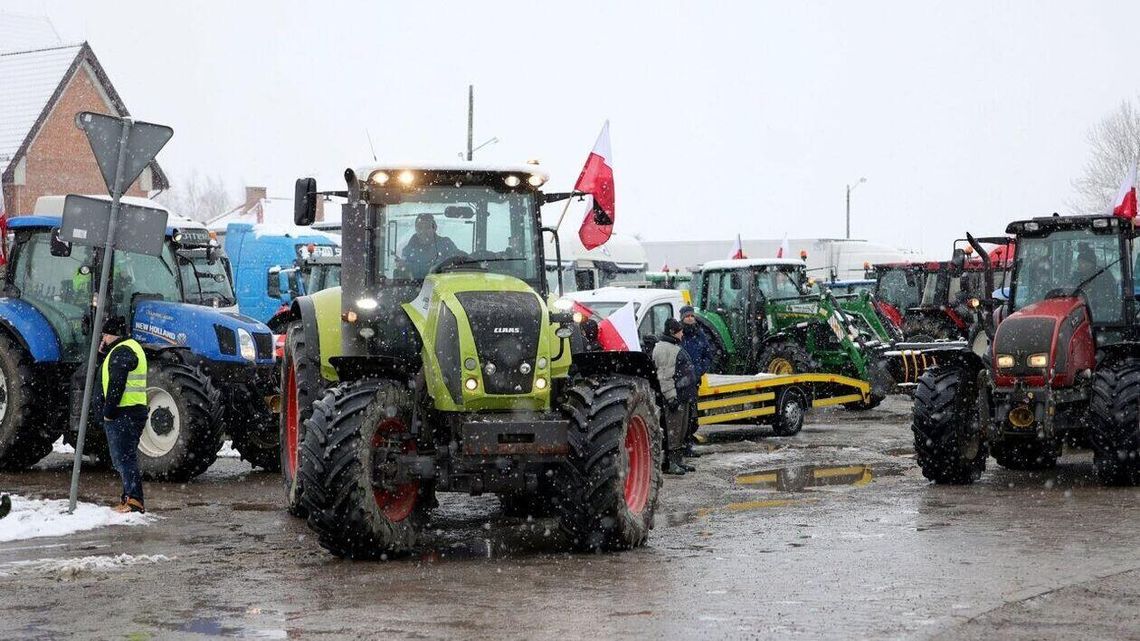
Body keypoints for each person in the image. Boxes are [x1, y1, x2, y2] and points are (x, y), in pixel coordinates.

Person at [98, 316, 148, 513]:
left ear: (112, 335)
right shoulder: (130, 347)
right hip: (132, 411)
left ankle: (134, 500)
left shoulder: (122, 352)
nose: (103, 338)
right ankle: (129, 497)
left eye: (105, 335)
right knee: (126, 457)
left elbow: (116, 384)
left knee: (124, 459)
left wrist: (109, 412)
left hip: (124, 413)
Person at [652, 318, 697, 475]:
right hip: (675, 397)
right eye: (679, 331)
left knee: (681, 431)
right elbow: (665, 376)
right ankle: (671, 463)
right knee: (674, 431)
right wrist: (671, 397)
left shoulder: (673, 346)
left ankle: (678, 461)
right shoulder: (665, 349)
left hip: (683, 396)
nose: (682, 333)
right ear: (672, 332)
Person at [679, 305, 713, 458]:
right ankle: (682, 445)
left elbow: (708, 355)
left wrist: (699, 371)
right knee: (682, 417)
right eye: (687, 316)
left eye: (692, 316)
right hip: (681, 382)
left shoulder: (700, 335)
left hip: (694, 381)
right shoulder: (679, 335)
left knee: (693, 417)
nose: (690, 318)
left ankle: (688, 443)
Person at [400, 213, 462, 278]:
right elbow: (405, 273)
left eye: (427, 227)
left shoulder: (446, 244)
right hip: (416, 284)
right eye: (420, 228)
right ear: (416, 229)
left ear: (435, 228)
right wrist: (403, 266)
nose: (423, 231)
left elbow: (457, 259)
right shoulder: (408, 250)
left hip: (442, 282)